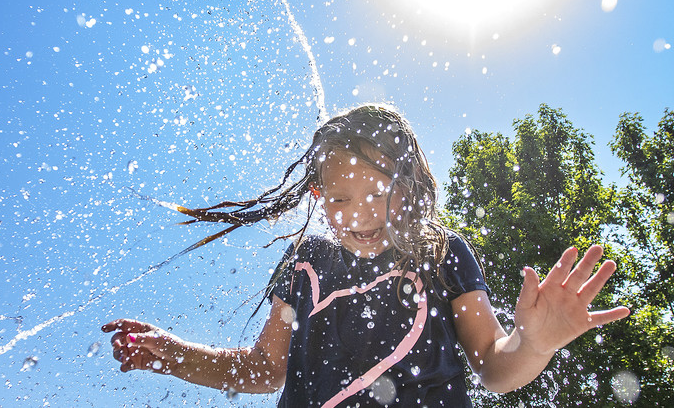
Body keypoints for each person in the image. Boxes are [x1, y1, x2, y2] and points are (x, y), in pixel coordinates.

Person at [102, 104, 629, 406]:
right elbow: (264, 369)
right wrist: (174, 354)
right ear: (316, 196)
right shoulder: (304, 266)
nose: (360, 214)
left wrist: (534, 344)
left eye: (379, 193)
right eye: (339, 199)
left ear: (411, 183)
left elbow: (493, 365)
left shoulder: (439, 253)